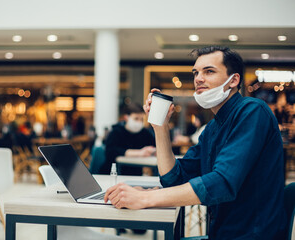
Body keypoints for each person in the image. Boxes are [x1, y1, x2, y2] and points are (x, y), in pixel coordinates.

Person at [104, 46, 286, 239]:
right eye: (196, 73)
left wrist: (145, 198)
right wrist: (161, 127)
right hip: (221, 233)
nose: (198, 78)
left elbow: (221, 182)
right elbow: (173, 178)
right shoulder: (212, 129)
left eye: (209, 71)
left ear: (234, 80)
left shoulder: (252, 111)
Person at [100, 103, 156, 176]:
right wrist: (139, 153)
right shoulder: (116, 131)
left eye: (141, 119)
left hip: (136, 174)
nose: (139, 122)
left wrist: (152, 151)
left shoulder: (145, 133)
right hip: (113, 173)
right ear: (126, 118)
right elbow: (110, 152)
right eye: (136, 118)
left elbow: (154, 146)